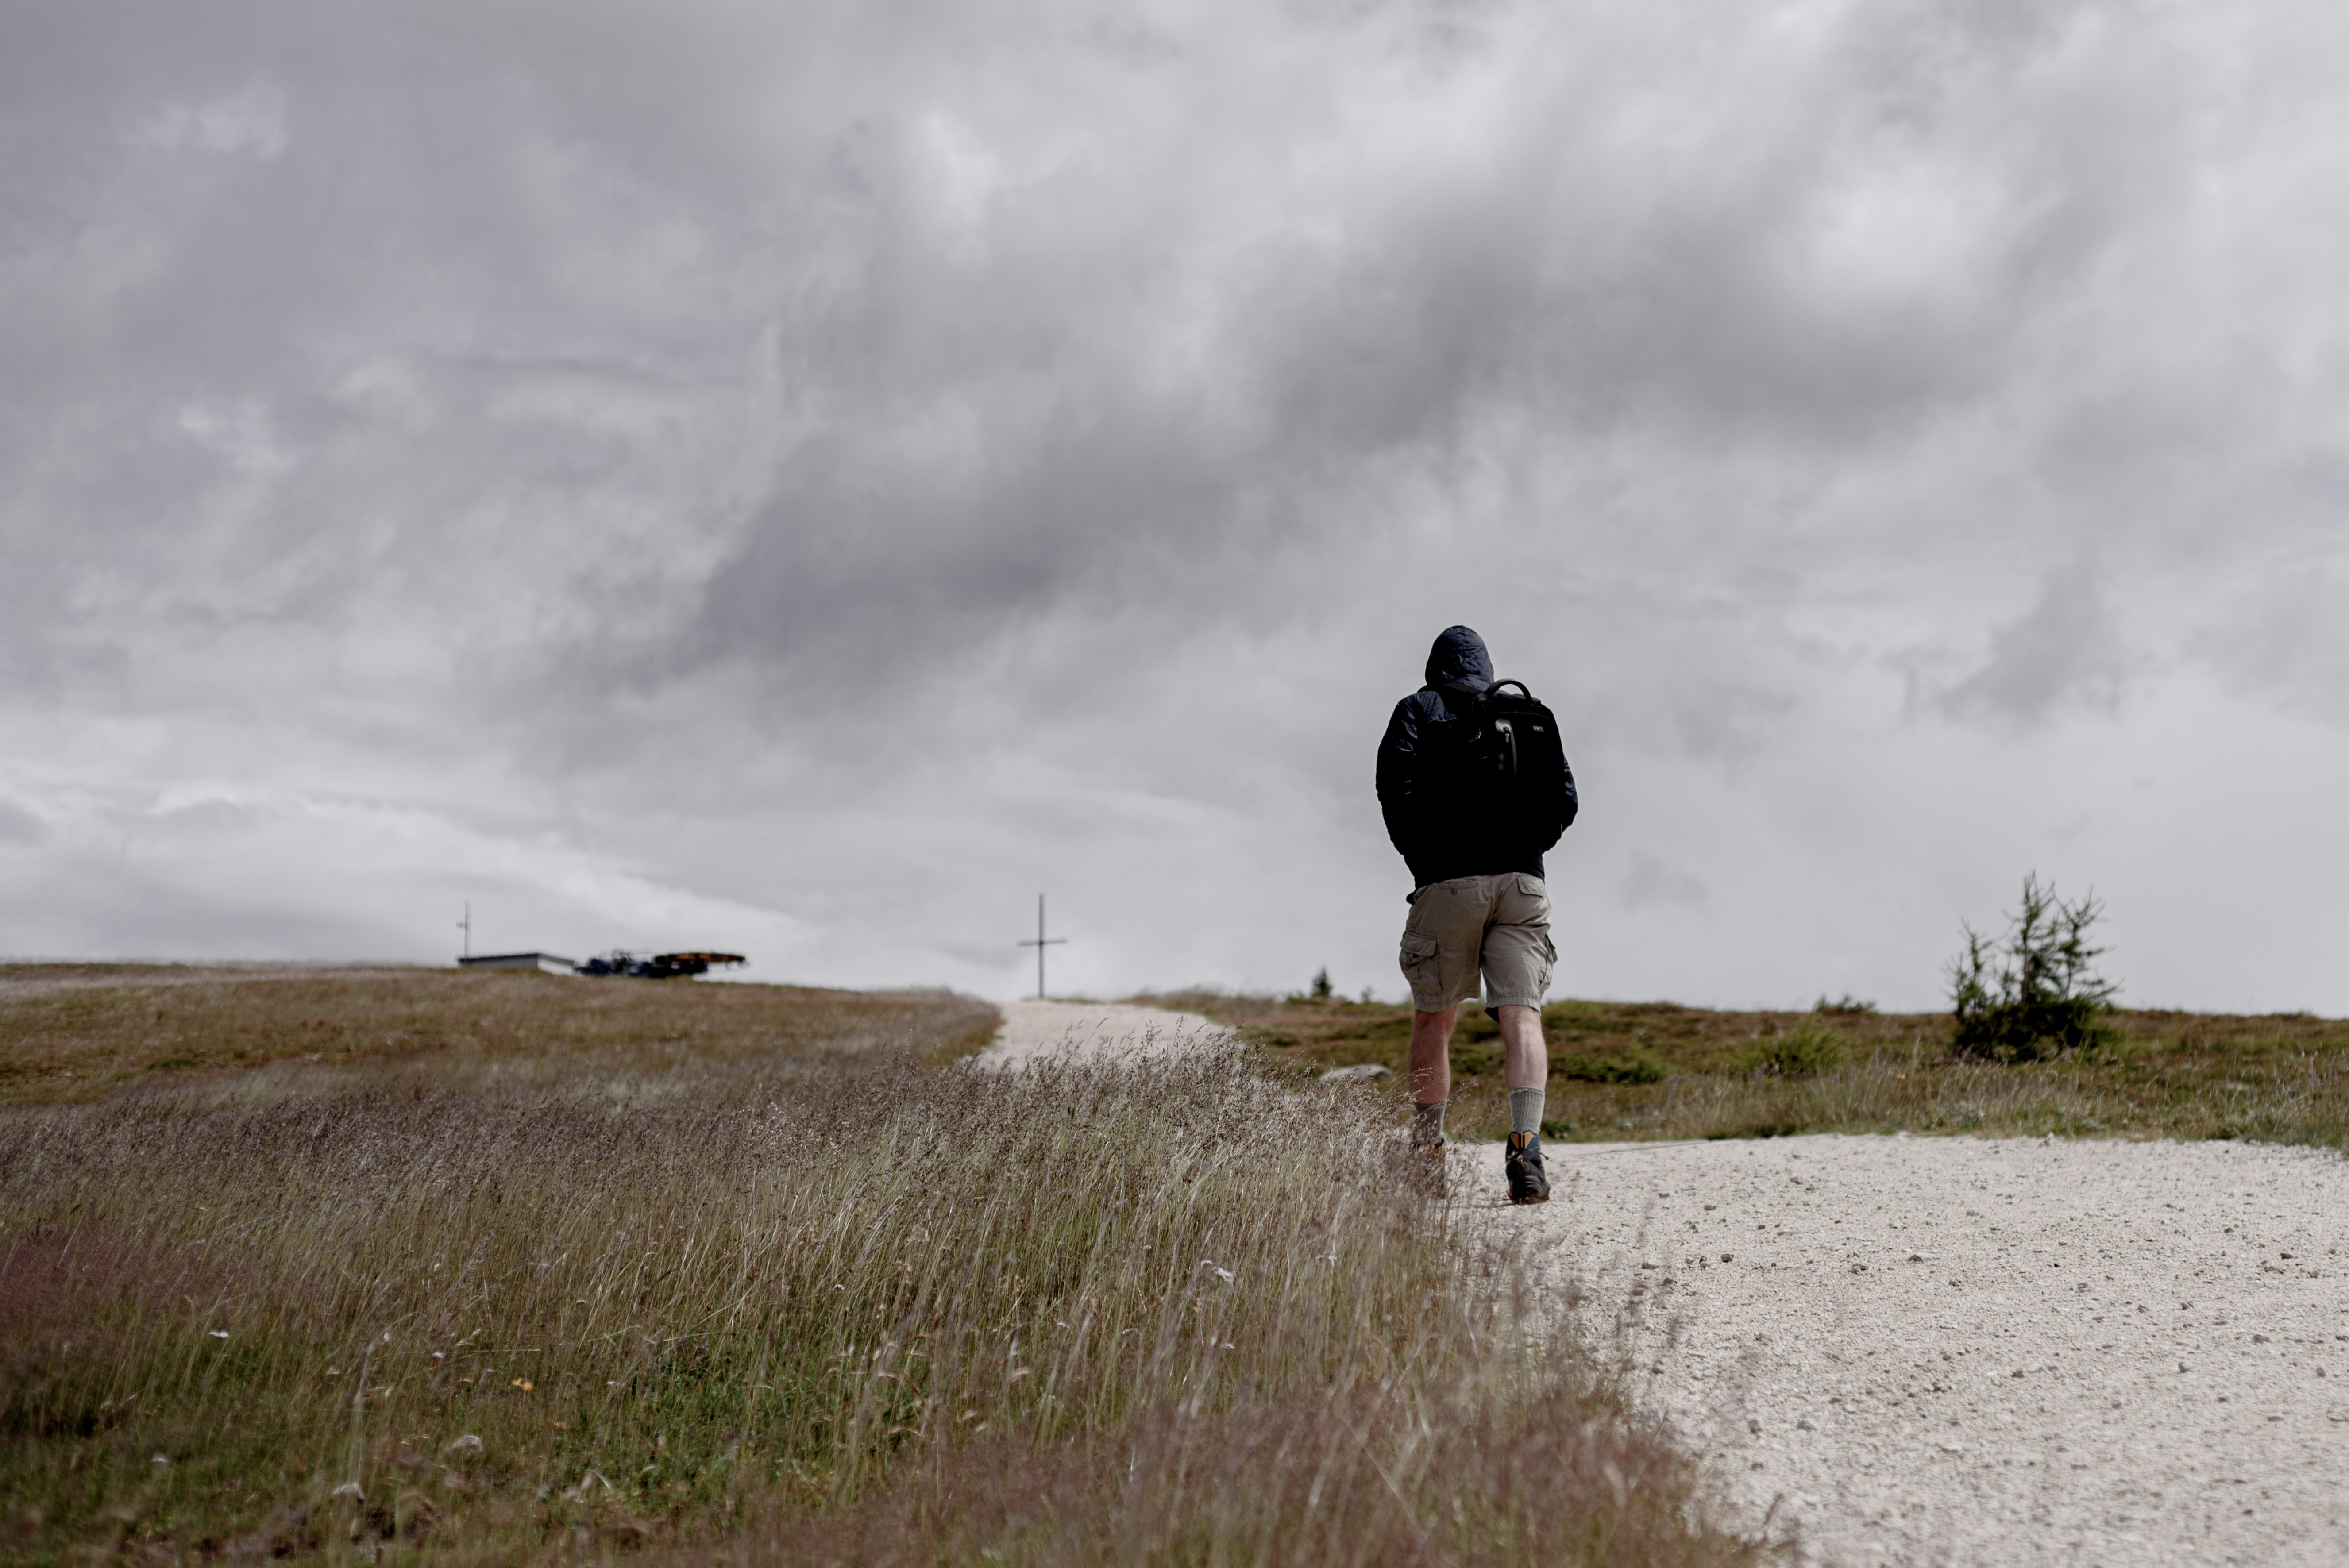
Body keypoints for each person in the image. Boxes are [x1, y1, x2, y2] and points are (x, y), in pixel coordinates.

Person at [1375, 625, 1578, 1204]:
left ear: (1435, 669)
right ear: (1487, 670)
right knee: (1523, 1015)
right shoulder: (1525, 715)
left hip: (1448, 881)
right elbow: (1565, 800)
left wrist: (1425, 858)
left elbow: (1395, 790)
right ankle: (1526, 1150)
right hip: (1523, 883)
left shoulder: (1418, 709)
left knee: (1435, 1019)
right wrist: (1526, 850)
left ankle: (1427, 1157)